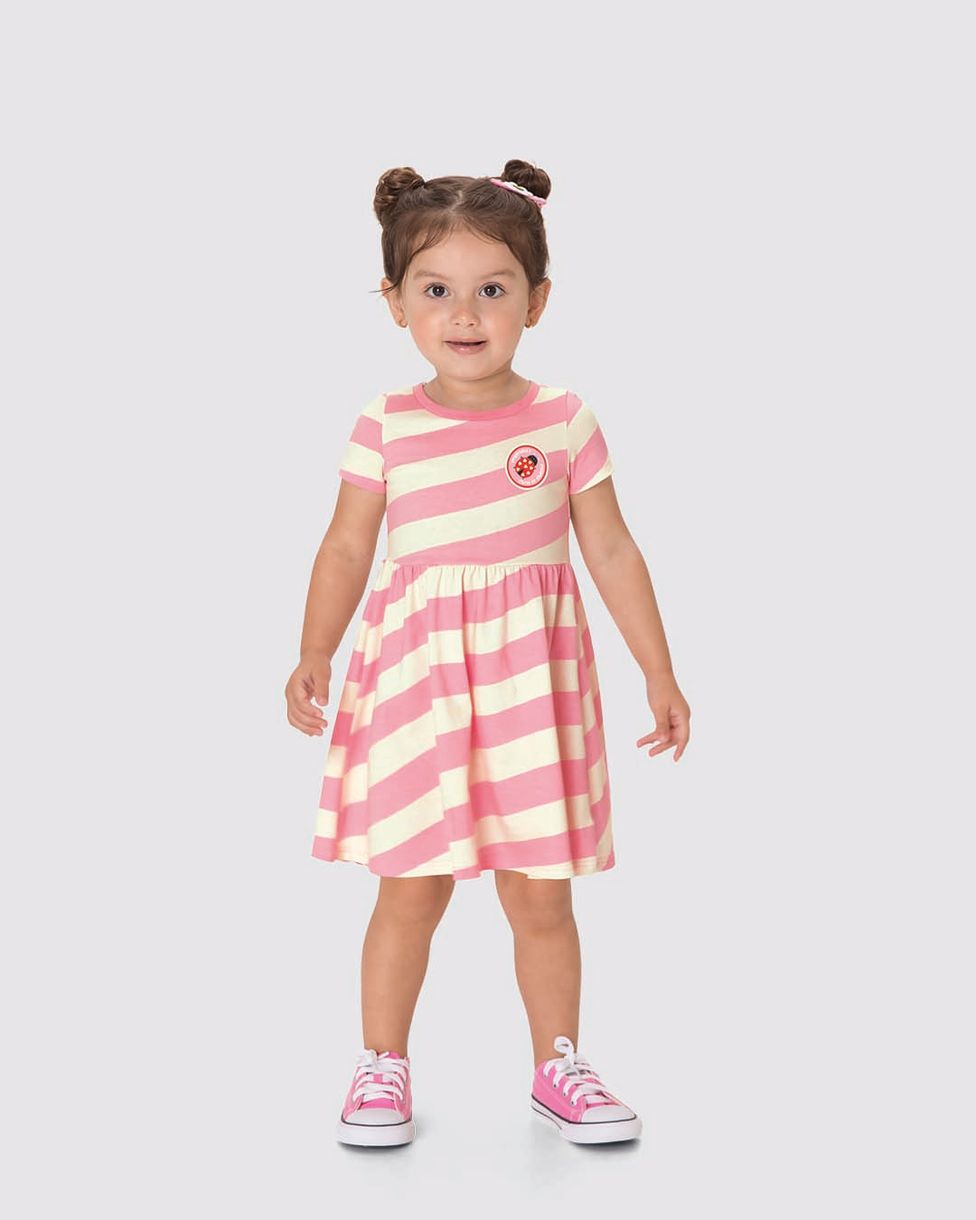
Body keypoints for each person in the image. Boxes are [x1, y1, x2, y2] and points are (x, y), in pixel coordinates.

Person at [284, 160, 691, 1148]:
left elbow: (611, 548)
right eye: (435, 290)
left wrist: (658, 669)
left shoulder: (562, 420)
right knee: (409, 888)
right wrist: (314, 649)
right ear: (395, 303)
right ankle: (382, 1064)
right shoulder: (387, 423)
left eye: (493, 289)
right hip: (417, 688)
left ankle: (560, 1063)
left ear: (536, 300)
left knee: (540, 894)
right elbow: (345, 546)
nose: (464, 314)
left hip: (529, 695)